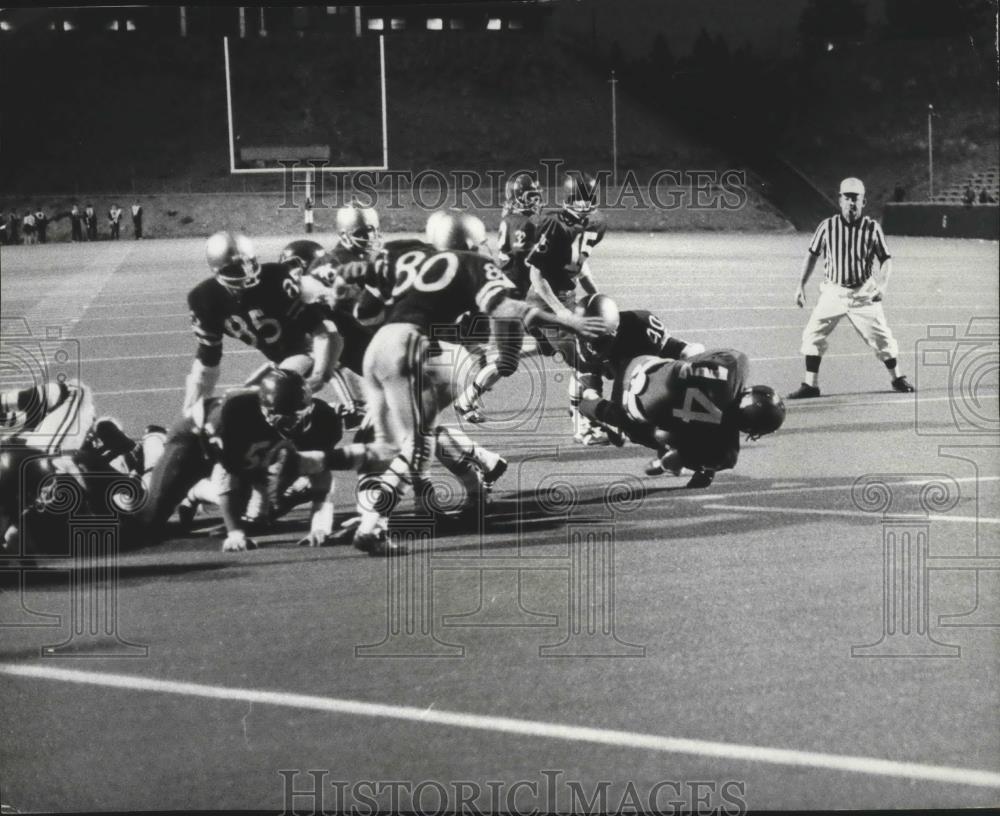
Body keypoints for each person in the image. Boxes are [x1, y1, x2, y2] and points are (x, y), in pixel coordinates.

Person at [335, 210, 610, 555]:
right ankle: (390, 515)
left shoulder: (408, 255)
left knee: (392, 437)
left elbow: (364, 312)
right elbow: (505, 314)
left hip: (398, 352)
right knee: (415, 439)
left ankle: (388, 509)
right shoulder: (474, 265)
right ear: (469, 241)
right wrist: (564, 325)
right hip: (429, 352)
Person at [140, 369, 346, 551]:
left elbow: (322, 475)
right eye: (281, 417)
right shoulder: (236, 416)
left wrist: (320, 526)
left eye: (297, 415)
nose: (291, 423)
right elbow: (227, 476)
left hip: (258, 451)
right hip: (194, 439)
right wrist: (235, 533)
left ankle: (195, 492)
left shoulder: (322, 420)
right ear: (264, 409)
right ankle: (154, 444)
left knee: (264, 514)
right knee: (149, 523)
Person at [579, 349, 785, 489]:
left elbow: (696, 359)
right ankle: (593, 407)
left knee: (688, 355)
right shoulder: (725, 444)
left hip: (640, 365)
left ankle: (590, 382)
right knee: (665, 435)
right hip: (632, 409)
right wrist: (685, 461)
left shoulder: (738, 364)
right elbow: (679, 456)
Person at [788, 177, 914, 398]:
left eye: (856, 199)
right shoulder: (827, 226)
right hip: (833, 291)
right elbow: (812, 255)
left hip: (862, 292)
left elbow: (886, 259)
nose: (851, 203)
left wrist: (882, 286)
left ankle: (897, 378)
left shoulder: (872, 228)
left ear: (864, 202)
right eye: (847, 198)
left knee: (882, 338)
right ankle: (811, 385)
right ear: (840, 200)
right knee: (812, 335)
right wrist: (800, 285)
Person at [453, 173, 543, 423]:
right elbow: (527, 256)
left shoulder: (514, 218)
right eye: (530, 196)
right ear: (516, 198)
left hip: (513, 295)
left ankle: (475, 384)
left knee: (533, 349)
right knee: (507, 363)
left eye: (536, 195)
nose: (535, 201)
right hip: (508, 299)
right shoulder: (522, 223)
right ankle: (466, 399)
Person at [568, 294, 706, 445]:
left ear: (615, 330)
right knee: (583, 391)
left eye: (598, 341)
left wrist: (698, 370)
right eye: (584, 336)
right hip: (613, 369)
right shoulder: (582, 345)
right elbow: (590, 393)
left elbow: (684, 350)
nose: (592, 347)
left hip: (636, 369)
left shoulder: (640, 324)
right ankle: (583, 424)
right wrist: (606, 414)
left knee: (693, 360)